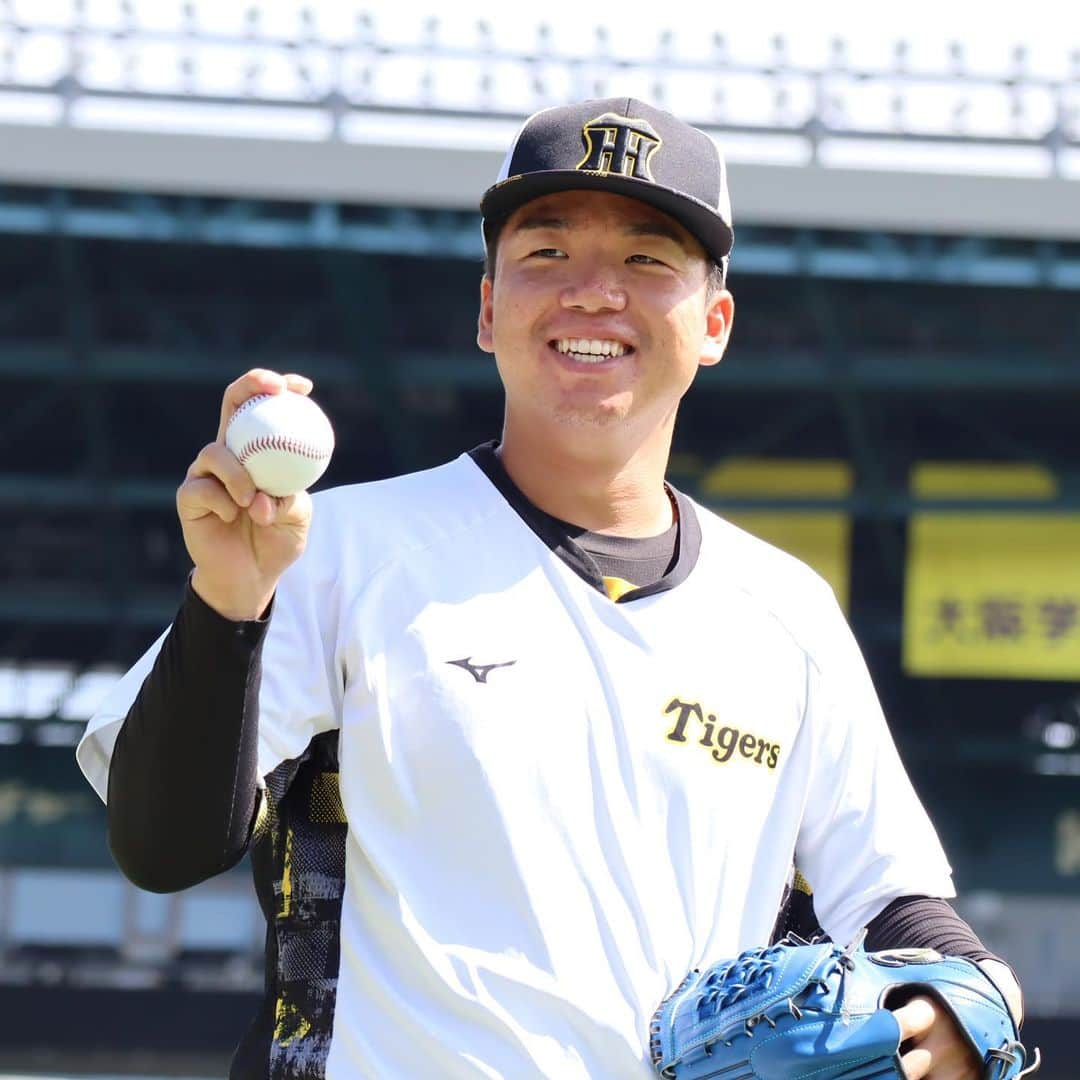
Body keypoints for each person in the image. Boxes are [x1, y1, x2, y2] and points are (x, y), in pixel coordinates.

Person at [78, 97, 1024, 1079]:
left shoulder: (787, 612)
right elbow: (161, 847)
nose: (593, 293)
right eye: (546, 255)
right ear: (489, 310)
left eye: (646, 260)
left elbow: (905, 911)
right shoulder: (337, 549)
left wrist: (959, 1010)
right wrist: (227, 601)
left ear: (715, 324)